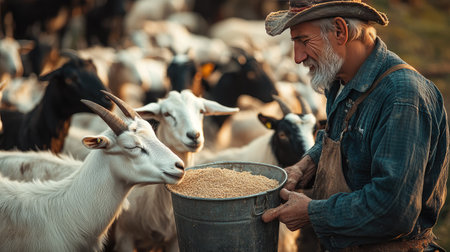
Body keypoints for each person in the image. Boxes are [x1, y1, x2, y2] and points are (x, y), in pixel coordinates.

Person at [261, 0, 449, 251]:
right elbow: (344, 137)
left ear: (340, 31)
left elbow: (393, 210)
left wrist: (312, 213)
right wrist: (306, 164)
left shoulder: (402, 97)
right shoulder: (340, 81)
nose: (297, 58)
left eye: (304, 41)